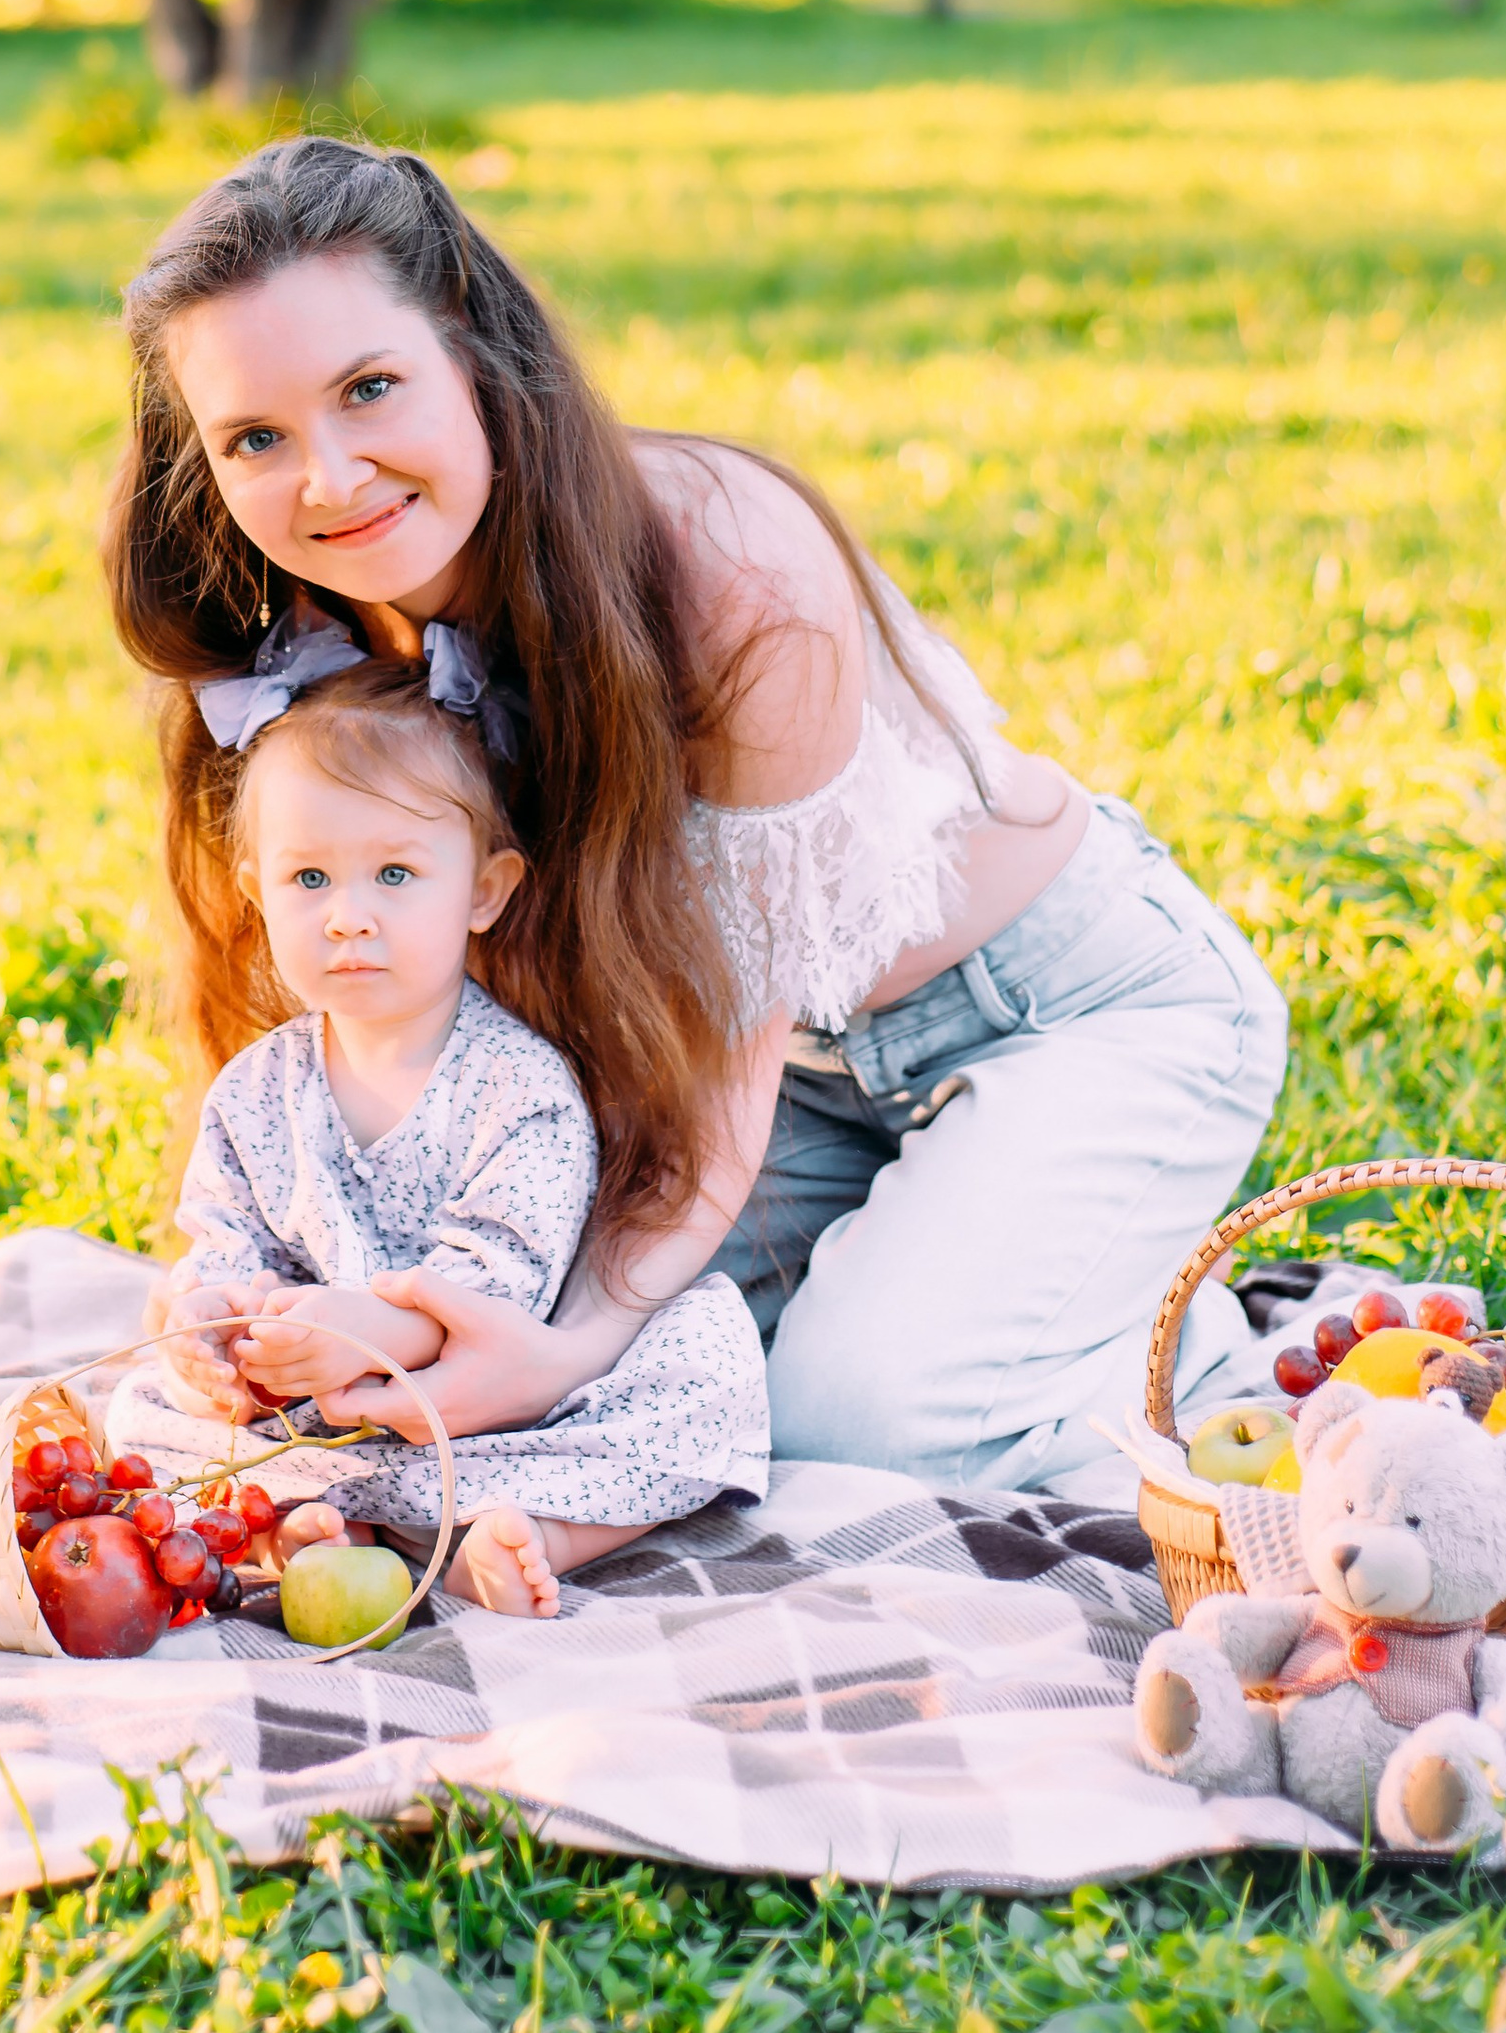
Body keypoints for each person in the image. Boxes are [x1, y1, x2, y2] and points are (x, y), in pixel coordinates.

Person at [104, 135, 1288, 1500]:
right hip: (797, 1089)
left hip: (1068, 1010)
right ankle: (1012, 1288)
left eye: (372, 388)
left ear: (477, 356)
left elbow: (733, 1025)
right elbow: (327, 991)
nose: (329, 479)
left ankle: (1143, 1333)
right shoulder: (293, 631)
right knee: (646, 1374)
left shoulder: (725, 564)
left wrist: (565, 1343)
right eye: (256, 438)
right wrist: (267, 1288)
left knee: (840, 1430)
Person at [103, 649, 768, 1614]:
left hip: (497, 1413)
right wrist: (215, 1319)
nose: (349, 917)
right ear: (256, 890)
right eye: (311, 878)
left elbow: (512, 1271)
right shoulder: (257, 1091)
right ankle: (324, 1533)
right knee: (144, 1408)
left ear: (484, 892)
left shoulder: (517, 1085)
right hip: (324, 1417)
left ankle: (534, 1536)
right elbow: (224, 1233)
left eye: (396, 874)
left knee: (703, 1358)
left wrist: (388, 1332)